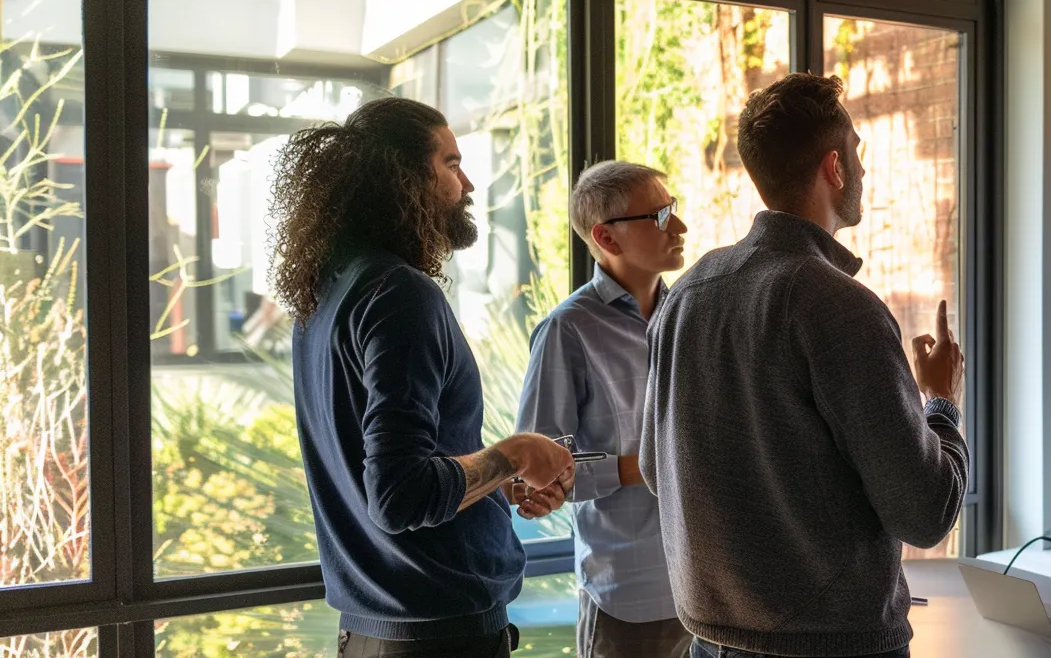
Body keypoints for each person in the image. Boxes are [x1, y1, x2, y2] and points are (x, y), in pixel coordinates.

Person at [640, 72, 969, 658]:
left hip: (709, 643)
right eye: (858, 155)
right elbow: (925, 512)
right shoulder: (841, 308)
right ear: (834, 168)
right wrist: (941, 403)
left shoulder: (685, 296)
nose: (864, 172)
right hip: (830, 648)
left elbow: (652, 466)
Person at [270, 96, 575, 658]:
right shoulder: (400, 294)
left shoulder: (325, 294)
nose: (469, 184)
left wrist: (493, 486)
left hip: (368, 632)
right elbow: (399, 495)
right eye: (452, 164)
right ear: (404, 177)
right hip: (439, 637)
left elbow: (387, 470)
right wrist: (518, 451)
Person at [514, 160, 693, 658]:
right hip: (629, 596)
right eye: (659, 216)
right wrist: (644, 467)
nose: (679, 227)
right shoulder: (566, 331)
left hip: (712, 588)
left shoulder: (690, 317)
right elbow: (535, 474)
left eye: (673, 210)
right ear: (607, 238)